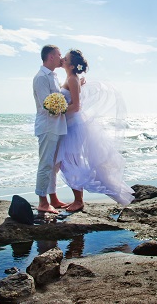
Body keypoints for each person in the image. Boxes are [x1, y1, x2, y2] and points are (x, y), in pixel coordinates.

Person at [55, 49, 135, 212]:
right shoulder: (72, 78)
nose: (62, 58)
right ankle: (75, 199)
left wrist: (58, 111)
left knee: (72, 162)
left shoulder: (71, 78)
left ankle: (79, 201)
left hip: (74, 128)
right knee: (67, 162)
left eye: (66, 58)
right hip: (71, 125)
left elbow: (76, 106)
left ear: (71, 65)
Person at [32, 44, 69, 214]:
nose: (61, 58)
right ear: (51, 57)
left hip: (57, 126)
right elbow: (47, 104)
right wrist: (69, 106)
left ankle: (53, 197)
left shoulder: (53, 76)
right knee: (46, 163)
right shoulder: (41, 77)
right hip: (47, 126)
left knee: (55, 165)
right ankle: (42, 201)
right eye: (59, 55)